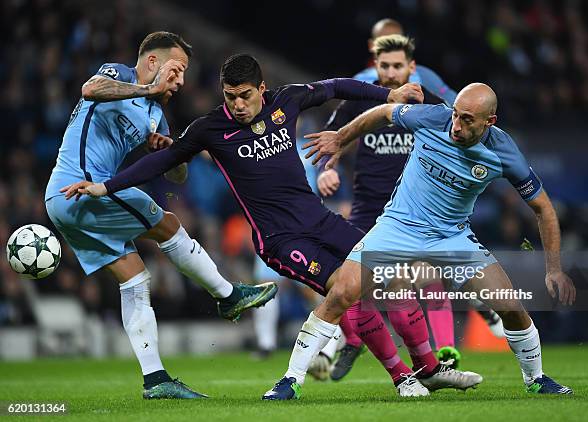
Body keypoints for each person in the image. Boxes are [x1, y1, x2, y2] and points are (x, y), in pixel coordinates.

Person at [61, 54, 482, 398]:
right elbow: (163, 162)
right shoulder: (211, 128)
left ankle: (428, 369)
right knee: (350, 290)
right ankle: (401, 377)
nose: (237, 105)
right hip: (281, 240)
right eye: (230, 97)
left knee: (391, 278)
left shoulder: (289, 100)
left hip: (321, 220)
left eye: (244, 96)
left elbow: (336, 85)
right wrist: (106, 186)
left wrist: (386, 93)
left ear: (262, 90)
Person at [273, 82, 576, 399]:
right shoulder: (433, 118)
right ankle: (290, 381)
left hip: (452, 236)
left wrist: (554, 269)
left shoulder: (504, 153)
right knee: (342, 293)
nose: (456, 126)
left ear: (490, 121)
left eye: (468, 120)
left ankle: (536, 379)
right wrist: (342, 138)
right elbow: (383, 111)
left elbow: (544, 209)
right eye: (456, 115)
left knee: (510, 307)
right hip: (397, 227)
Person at [45, 33, 278, 400]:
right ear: (153, 63)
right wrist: (146, 88)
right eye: (177, 70)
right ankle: (228, 294)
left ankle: (156, 380)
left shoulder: (155, 114)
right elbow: (91, 89)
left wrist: (170, 151)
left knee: (135, 278)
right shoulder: (118, 75)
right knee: (167, 223)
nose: (181, 81)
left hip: (73, 203)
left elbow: (176, 175)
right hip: (79, 187)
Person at [319, 33, 463, 381]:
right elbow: (332, 139)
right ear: (375, 66)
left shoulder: (430, 105)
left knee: (425, 278)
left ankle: (445, 352)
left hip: (414, 212)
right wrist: (328, 170)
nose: (391, 72)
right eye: (384, 66)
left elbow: (458, 145)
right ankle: (353, 341)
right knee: (346, 283)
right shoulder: (361, 100)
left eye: (398, 66)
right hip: (368, 209)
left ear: (412, 68)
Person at [354, 18, 457, 106]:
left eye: (396, 41)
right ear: (371, 45)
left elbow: (455, 104)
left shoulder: (422, 75)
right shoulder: (358, 82)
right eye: (384, 42)